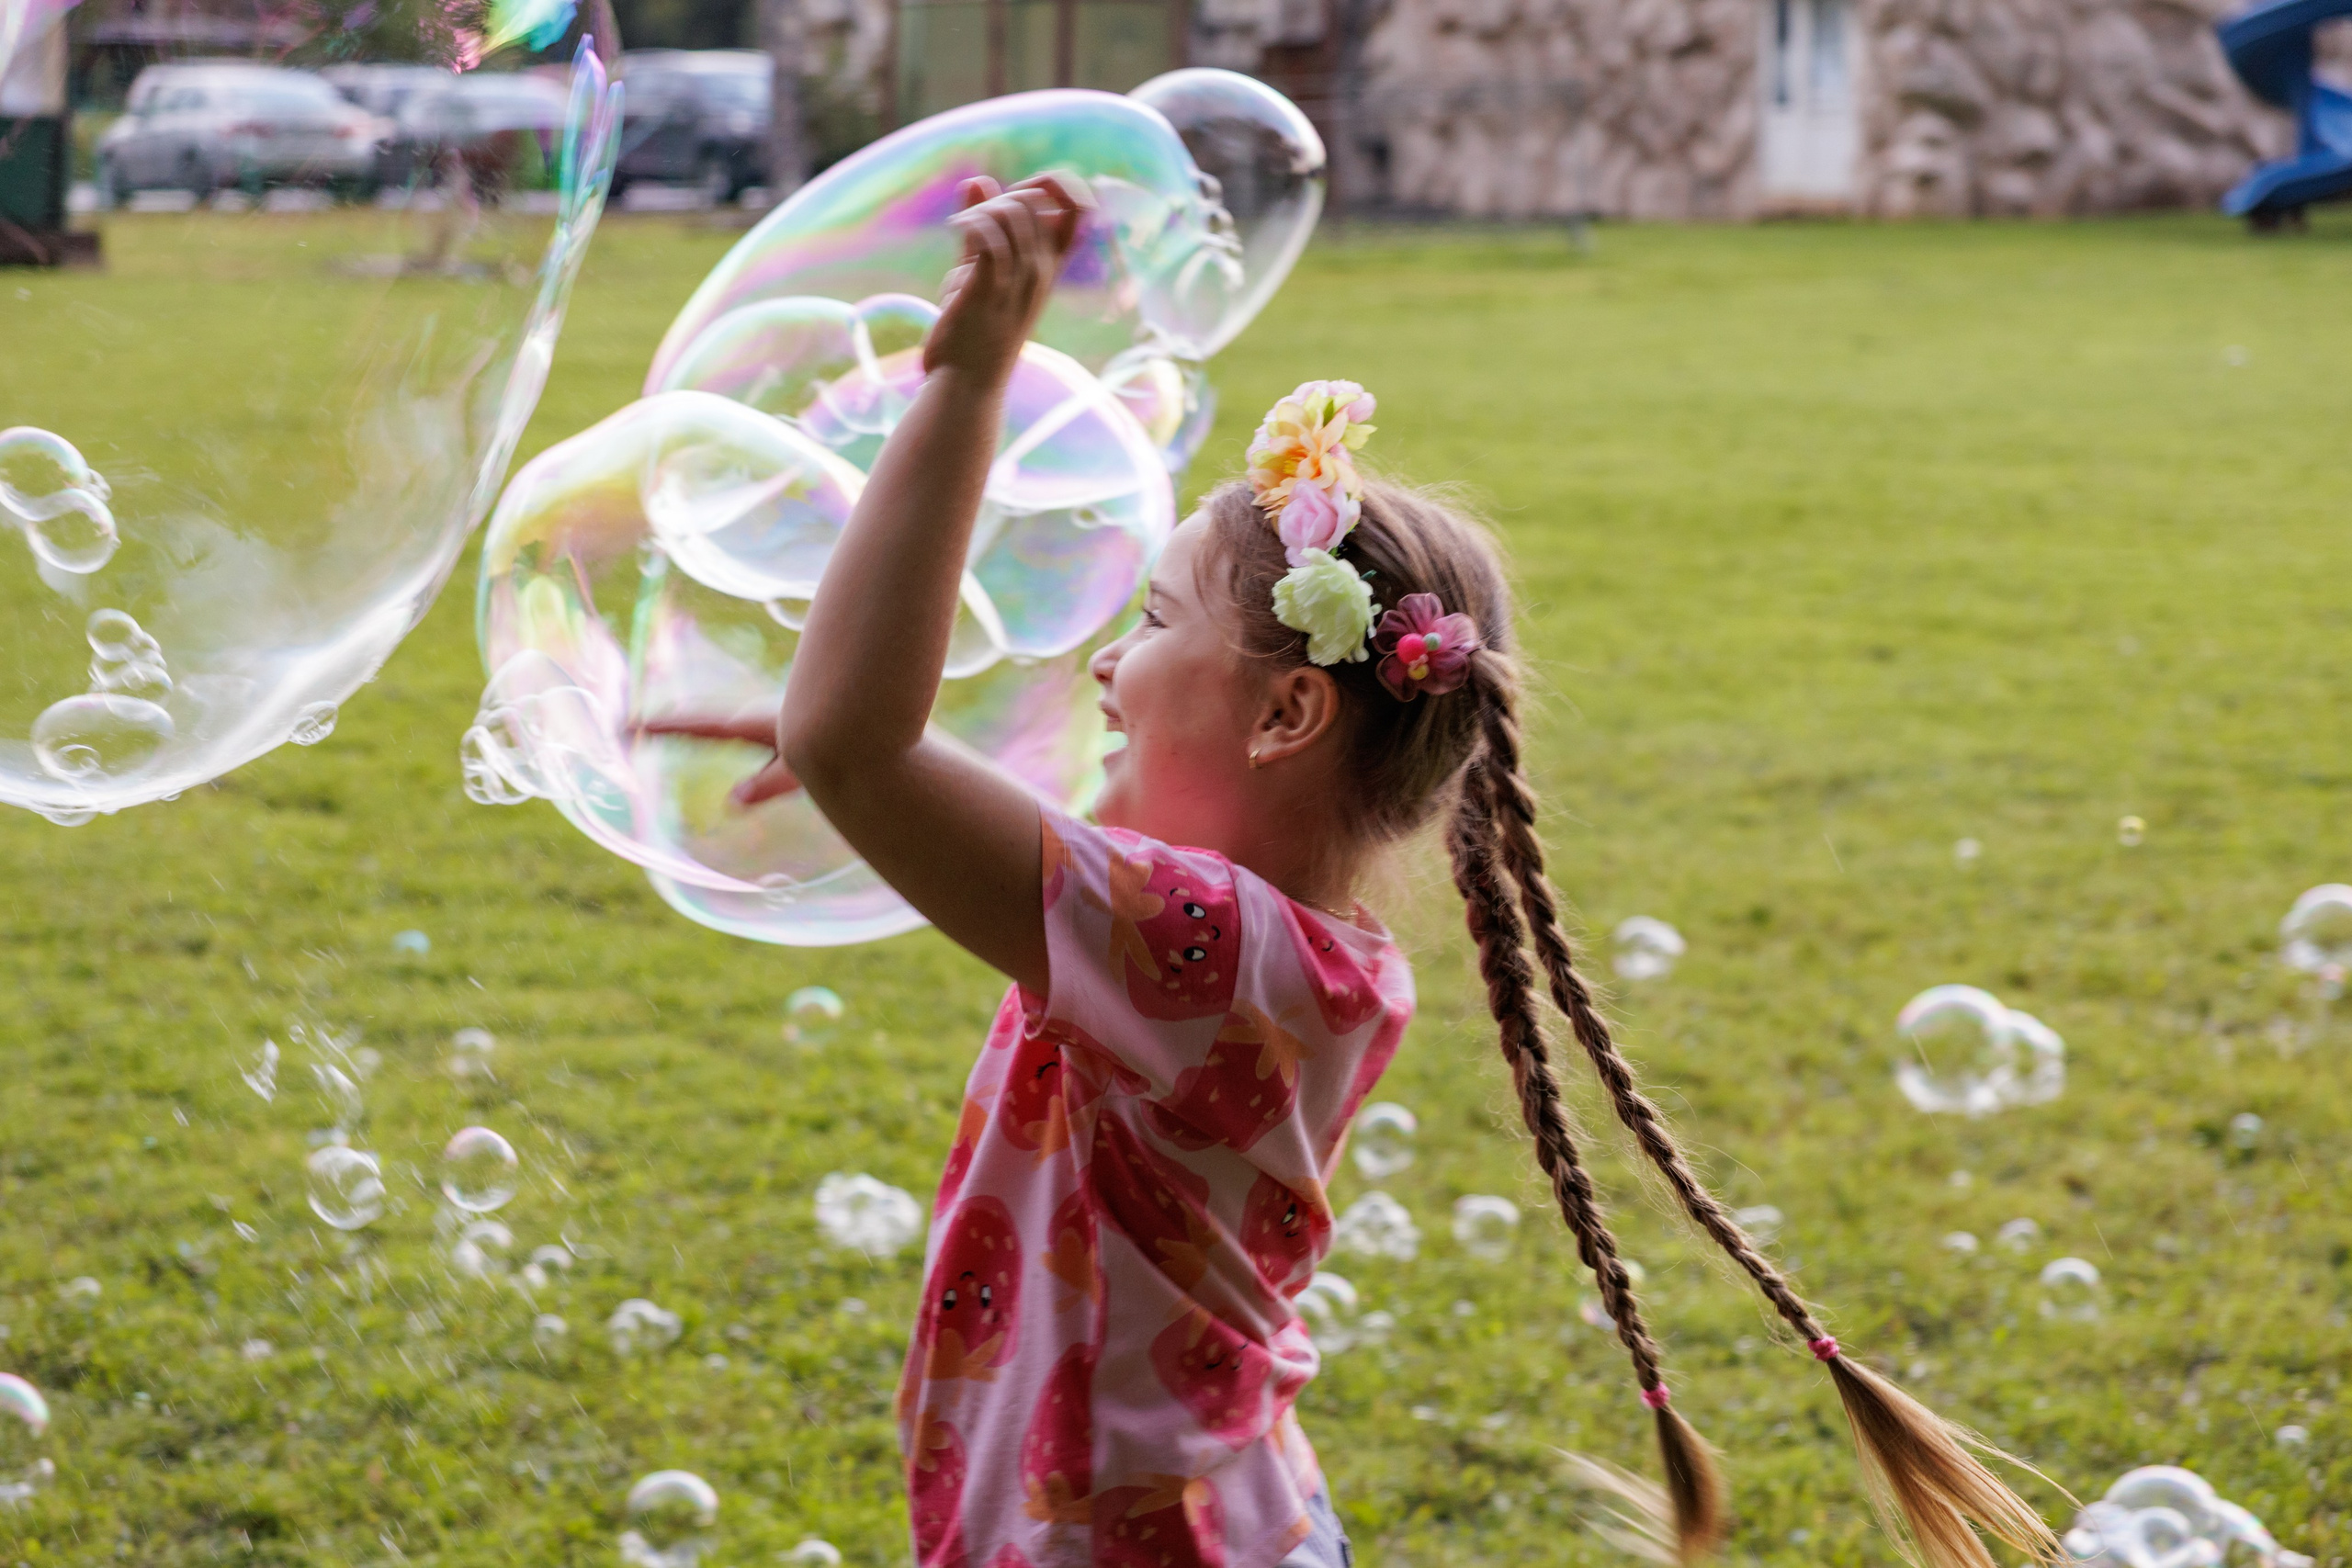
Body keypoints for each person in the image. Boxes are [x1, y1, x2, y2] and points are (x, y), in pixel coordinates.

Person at [653, 174, 2064, 1568]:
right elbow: (886, 761)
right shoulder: (1282, 951)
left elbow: (857, 739)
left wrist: (966, 383)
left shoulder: (1198, 949)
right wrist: (873, 777)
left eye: (1148, 623)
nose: (1103, 659)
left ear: (1283, 716)